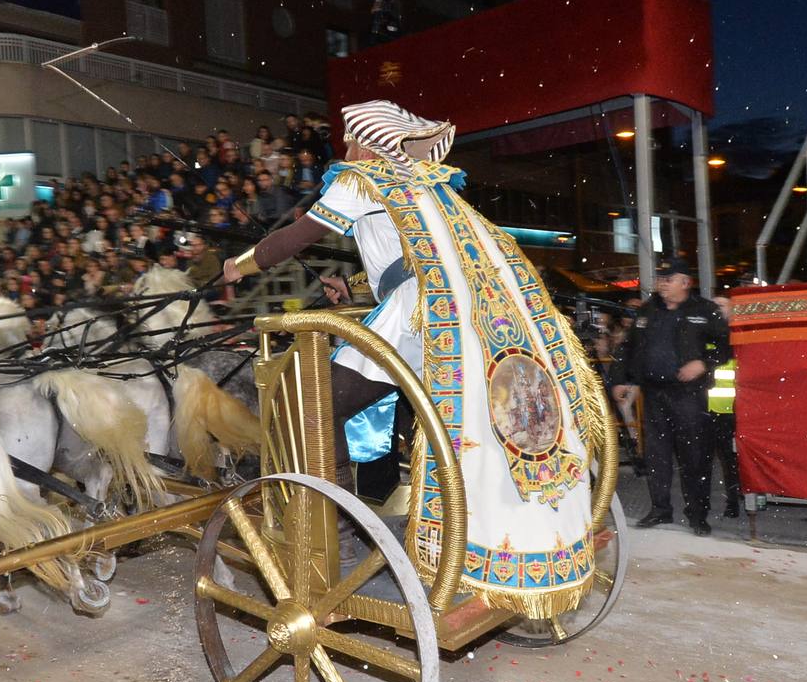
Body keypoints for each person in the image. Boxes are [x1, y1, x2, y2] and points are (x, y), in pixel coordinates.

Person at [223, 99, 601, 615]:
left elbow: (297, 237)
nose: (343, 147)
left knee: (310, 406)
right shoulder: (430, 183)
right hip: (460, 306)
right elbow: (411, 255)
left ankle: (341, 536)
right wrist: (356, 283)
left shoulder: (358, 177)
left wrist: (239, 265)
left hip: (418, 311)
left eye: (348, 137)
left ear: (364, 139)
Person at [609, 259, 731, 535]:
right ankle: (661, 509)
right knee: (657, 456)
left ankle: (698, 514)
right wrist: (621, 379)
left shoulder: (705, 310)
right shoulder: (648, 310)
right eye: (661, 278)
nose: (662, 283)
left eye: (669, 278)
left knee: (695, 456)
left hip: (689, 395)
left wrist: (703, 362)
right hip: (654, 394)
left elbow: (725, 347)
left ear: (686, 282)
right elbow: (627, 348)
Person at [707, 295, 741, 518]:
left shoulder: (738, 338)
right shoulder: (704, 336)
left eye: (720, 305)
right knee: (703, 460)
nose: (715, 309)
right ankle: (703, 504)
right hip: (705, 410)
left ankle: (734, 501)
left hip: (733, 411)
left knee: (731, 460)